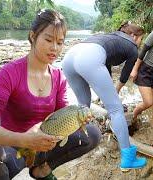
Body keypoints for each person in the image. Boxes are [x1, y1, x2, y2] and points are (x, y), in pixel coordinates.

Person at [0, 9, 101, 180]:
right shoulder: (8, 74)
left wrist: (78, 122)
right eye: (49, 39)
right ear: (33, 36)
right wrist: (25, 140)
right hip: (14, 149)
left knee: (92, 134)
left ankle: (42, 169)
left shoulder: (58, 77)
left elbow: (64, 116)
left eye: (60, 42)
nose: (54, 48)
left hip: (43, 145)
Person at [62, 22, 147, 171]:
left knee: (83, 104)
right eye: (140, 38)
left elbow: (105, 67)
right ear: (133, 35)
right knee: (116, 110)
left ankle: (76, 142)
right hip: (90, 58)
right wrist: (115, 93)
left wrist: (105, 93)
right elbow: (124, 76)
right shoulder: (132, 47)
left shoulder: (110, 37)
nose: (140, 42)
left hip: (69, 57)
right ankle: (128, 160)